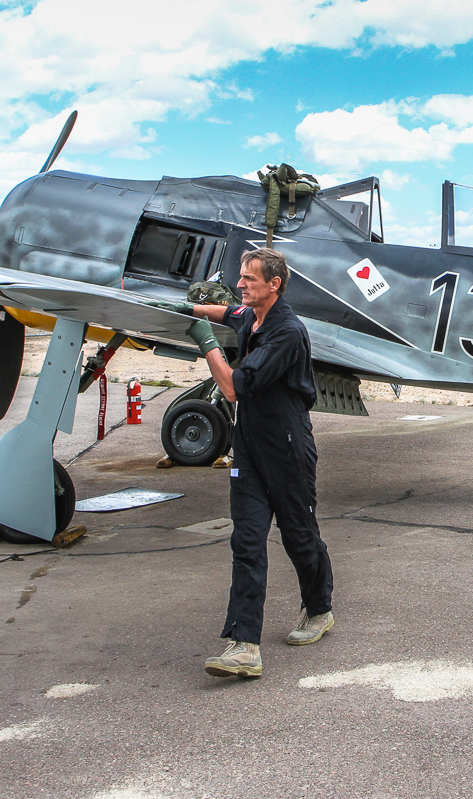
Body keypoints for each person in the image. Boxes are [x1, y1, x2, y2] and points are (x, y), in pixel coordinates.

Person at [172, 248, 334, 679]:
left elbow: (231, 387)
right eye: (241, 277)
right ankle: (244, 645)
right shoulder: (251, 315)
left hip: (286, 446)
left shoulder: (287, 333)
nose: (240, 284)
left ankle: (319, 609)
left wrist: (204, 341)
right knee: (246, 541)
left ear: (274, 285)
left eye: (249, 278)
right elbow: (227, 312)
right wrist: (186, 307)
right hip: (248, 448)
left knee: (299, 536)